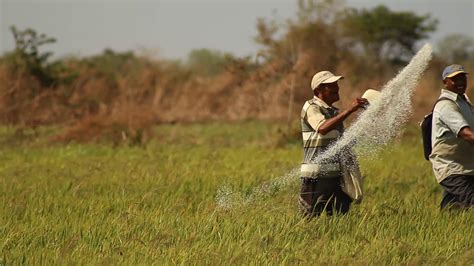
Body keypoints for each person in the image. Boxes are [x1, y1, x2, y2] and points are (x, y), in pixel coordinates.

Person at [299, 70, 368, 217]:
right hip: (315, 175)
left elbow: (342, 142)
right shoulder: (311, 107)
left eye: (336, 84)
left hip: (335, 175)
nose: (337, 88)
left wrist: (366, 118)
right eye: (331, 85)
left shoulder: (334, 113)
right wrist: (350, 110)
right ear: (319, 90)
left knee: (340, 218)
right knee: (310, 219)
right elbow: (322, 128)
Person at [430, 64, 474, 209]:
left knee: (452, 210)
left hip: (467, 167)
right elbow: (467, 135)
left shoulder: (464, 103)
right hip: (452, 168)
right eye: (455, 79)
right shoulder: (446, 106)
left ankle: (441, 228)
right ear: (445, 82)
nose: (461, 82)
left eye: (463, 78)